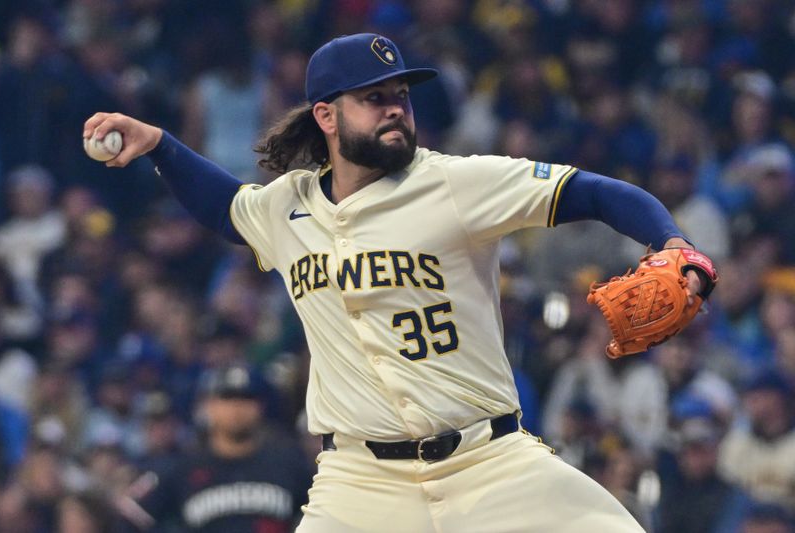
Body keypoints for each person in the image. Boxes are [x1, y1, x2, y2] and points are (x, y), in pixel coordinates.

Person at [84, 33, 713, 532]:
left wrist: (673, 244)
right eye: (374, 97)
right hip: (360, 484)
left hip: (491, 463)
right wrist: (160, 144)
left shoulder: (456, 183)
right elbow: (226, 209)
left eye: (401, 96)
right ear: (326, 116)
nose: (394, 109)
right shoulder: (287, 207)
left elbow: (594, 191)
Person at [119, 364, 311, 532]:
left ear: (260, 406)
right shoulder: (182, 468)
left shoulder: (289, 464)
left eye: (246, 399)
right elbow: (130, 513)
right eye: (227, 398)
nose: (237, 408)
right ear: (208, 406)